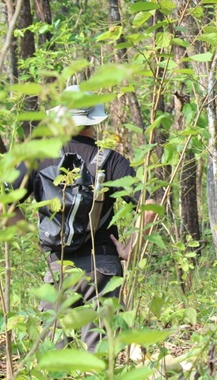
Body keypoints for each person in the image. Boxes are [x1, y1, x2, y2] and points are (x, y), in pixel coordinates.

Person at [9, 85, 157, 352]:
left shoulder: (36, 158)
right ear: (94, 120)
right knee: (100, 352)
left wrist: (31, 235)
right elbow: (148, 206)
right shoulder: (111, 160)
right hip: (103, 265)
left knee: (54, 354)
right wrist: (132, 246)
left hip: (57, 266)